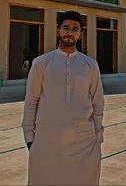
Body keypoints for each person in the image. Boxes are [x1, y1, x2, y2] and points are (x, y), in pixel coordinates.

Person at [22, 10, 104, 186]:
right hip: (47, 142)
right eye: (66, 28)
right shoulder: (41, 63)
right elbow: (31, 101)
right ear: (58, 30)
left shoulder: (90, 65)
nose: (70, 32)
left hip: (84, 143)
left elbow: (98, 102)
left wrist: (98, 137)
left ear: (80, 34)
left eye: (75, 29)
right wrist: (29, 137)